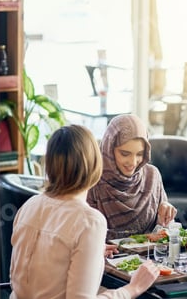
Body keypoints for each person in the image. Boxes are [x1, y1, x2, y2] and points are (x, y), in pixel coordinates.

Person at [10, 125, 160, 298]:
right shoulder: (89, 221)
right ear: (95, 163)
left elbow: (40, 266)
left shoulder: (29, 205)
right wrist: (132, 289)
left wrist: (87, 251)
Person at [87, 114, 177, 240]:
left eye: (140, 154)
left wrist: (165, 217)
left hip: (151, 258)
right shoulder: (93, 181)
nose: (133, 162)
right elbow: (87, 237)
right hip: (107, 258)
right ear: (109, 149)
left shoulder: (152, 176)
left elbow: (162, 233)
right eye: (124, 154)